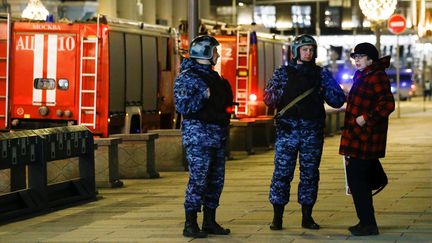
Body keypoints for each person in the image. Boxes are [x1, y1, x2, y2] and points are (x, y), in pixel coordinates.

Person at [264, 34, 346, 230]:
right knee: (282, 174)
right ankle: (277, 217)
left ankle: (307, 216)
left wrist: (328, 89)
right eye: (304, 49)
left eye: (311, 50)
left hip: (312, 132)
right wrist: (281, 93)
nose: (308, 53)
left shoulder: (321, 74)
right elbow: (268, 99)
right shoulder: (283, 73)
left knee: (309, 174)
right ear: (296, 52)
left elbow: (336, 100)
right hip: (287, 131)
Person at [174, 35, 232, 238]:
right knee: (198, 180)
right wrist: (203, 95)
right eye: (214, 51)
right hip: (199, 137)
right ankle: (190, 223)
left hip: (217, 136)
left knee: (216, 181)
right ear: (205, 53)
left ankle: (210, 221)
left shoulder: (215, 77)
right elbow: (183, 106)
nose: (217, 55)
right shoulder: (187, 77)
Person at [339, 42, 395, 236]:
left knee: (357, 180)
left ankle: (368, 224)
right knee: (358, 177)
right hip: (358, 136)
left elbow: (387, 104)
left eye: (361, 57)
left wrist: (365, 118)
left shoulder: (377, 76)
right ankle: (366, 221)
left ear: (371, 59)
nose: (357, 60)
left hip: (366, 137)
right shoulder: (364, 75)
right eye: (355, 57)